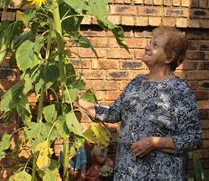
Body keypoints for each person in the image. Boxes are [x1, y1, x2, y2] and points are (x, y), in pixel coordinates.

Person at [77, 27, 202, 180]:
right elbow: (113, 113)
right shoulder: (136, 83)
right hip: (127, 174)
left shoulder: (179, 91)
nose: (147, 47)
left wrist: (155, 143)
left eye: (155, 45)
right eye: (149, 43)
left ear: (169, 57)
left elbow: (193, 138)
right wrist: (77, 102)